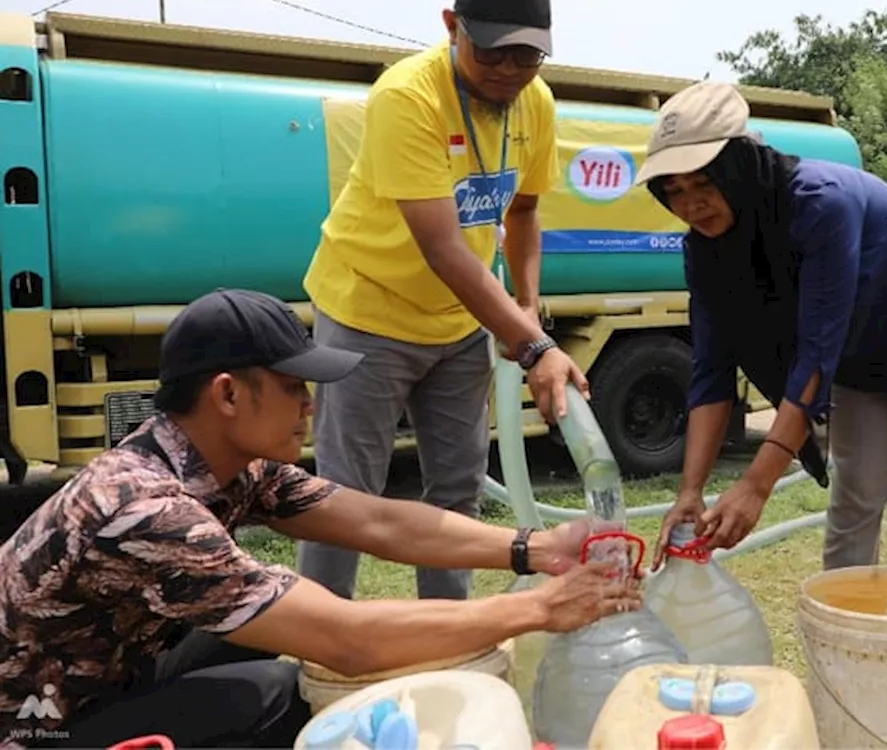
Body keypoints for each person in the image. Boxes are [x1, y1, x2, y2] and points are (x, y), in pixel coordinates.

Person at [0, 289, 638, 750]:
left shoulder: (222, 461)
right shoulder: (147, 510)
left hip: (104, 670)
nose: (309, 405)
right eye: (291, 387)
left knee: (264, 616)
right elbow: (348, 641)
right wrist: (540, 609)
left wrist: (536, 546)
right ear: (226, 393)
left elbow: (379, 523)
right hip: (38, 723)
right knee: (274, 691)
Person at [296, 0, 589, 603]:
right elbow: (444, 249)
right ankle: (316, 651)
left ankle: (450, 640)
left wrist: (527, 311)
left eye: (527, 57)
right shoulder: (408, 95)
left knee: (457, 491)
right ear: (452, 24)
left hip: (458, 326)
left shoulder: (534, 102)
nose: (509, 72)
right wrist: (532, 345)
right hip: (365, 315)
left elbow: (525, 211)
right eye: (493, 55)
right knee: (344, 499)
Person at [642, 82, 887, 589]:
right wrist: (690, 490)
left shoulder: (817, 202)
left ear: (738, 168)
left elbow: (815, 352)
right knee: (857, 492)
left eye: (703, 184)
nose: (691, 205)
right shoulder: (705, 249)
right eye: (674, 191)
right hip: (861, 350)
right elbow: (711, 369)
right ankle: (843, 641)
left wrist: (755, 484)